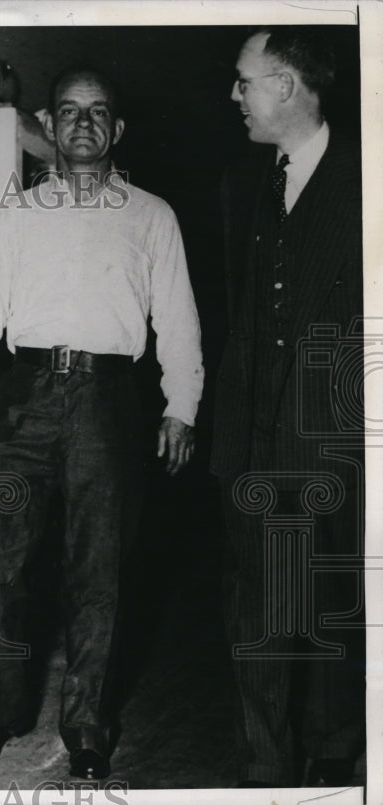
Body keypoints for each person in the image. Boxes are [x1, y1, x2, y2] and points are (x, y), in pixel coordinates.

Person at [0, 65, 204, 778]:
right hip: (24, 395)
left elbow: (179, 321)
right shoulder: (20, 213)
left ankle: (86, 725)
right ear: (50, 126)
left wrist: (181, 407)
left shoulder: (153, 216)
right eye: (69, 110)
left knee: (98, 571)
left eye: (98, 110)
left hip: (107, 402)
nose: (84, 122)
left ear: (118, 128)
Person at [211, 27, 364, 788]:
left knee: (331, 606)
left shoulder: (366, 180)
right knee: (257, 611)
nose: (234, 95)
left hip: (335, 444)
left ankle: (334, 757)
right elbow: (240, 317)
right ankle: (265, 768)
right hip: (254, 440)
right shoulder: (242, 185)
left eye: (244, 81)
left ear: (287, 85)